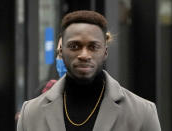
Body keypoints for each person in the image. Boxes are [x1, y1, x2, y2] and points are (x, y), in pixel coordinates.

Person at [17, 10, 161, 131]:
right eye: (74, 46)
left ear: (105, 51)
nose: (84, 55)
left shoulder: (142, 113)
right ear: (61, 51)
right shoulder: (31, 113)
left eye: (93, 47)